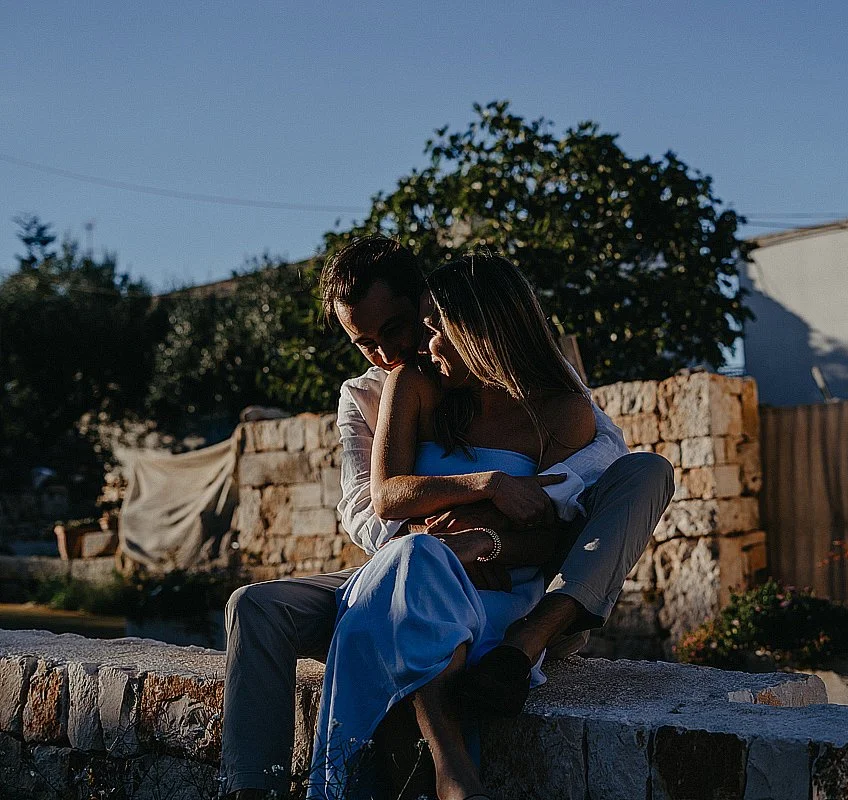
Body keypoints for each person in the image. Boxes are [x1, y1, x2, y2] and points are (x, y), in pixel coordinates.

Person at [219, 238, 673, 799]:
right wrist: (452, 528)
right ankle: (250, 790)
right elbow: (369, 506)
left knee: (648, 472)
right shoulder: (377, 391)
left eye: (398, 328)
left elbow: (581, 480)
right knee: (255, 605)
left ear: (434, 307)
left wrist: (485, 539)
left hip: (498, 576)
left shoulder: (543, 394)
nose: (386, 354)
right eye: (364, 343)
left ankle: (487, 702)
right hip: (404, 566)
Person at [311, 251, 607, 799]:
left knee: (416, 585)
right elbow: (384, 498)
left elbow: (554, 529)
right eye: (365, 343)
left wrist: (484, 542)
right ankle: (455, 774)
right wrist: (484, 490)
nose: (426, 345)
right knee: (418, 561)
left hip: (499, 594)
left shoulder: (564, 412)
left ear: (483, 329)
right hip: (413, 580)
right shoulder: (412, 385)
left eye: (434, 328)